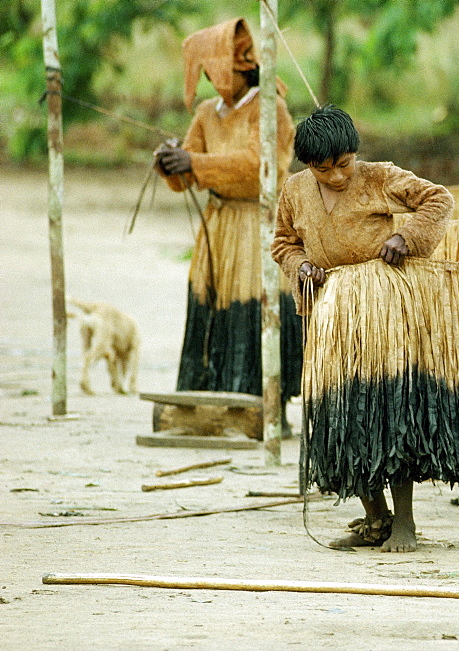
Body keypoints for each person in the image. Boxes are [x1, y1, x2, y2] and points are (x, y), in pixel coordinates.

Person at [271, 106, 454, 553]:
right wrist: (303, 265)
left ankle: (406, 524)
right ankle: (375, 519)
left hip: (382, 308)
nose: (336, 176)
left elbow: (439, 199)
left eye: (344, 164)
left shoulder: (378, 176)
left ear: (355, 154)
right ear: (306, 165)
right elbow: (282, 243)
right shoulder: (294, 191)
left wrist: (405, 238)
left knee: (388, 409)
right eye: (323, 168)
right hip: (331, 313)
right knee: (345, 414)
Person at [153, 18, 301, 428]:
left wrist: (195, 162)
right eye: (208, 76)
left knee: (254, 309)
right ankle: (208, 402)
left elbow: (261, 167)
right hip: (217, 228)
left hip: (259, 224)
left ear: (242, 66)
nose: (215, 83)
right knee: (211, 308)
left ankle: (262, 407)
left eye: (221, 74)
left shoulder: (270, 107)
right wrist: (171, 164)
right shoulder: (205, 113)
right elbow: (185, 179)